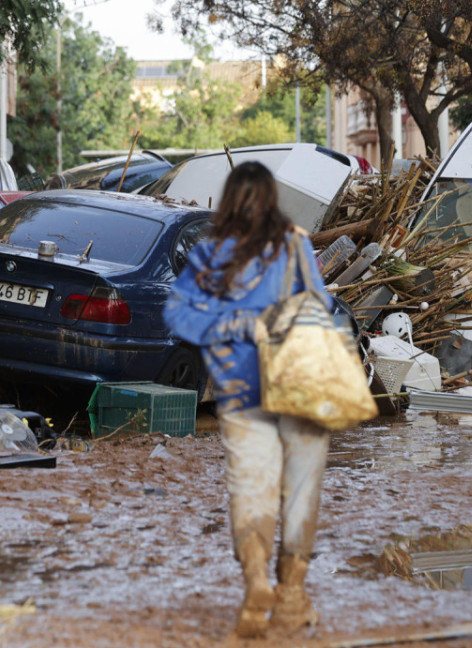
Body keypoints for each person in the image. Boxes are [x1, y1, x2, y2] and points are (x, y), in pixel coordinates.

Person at [164, 161, 333, 638]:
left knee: (251, 489)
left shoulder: (210, 255)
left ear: (231, 199)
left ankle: (257, 582)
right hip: (297, 390)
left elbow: (176, 316)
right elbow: (319, 306)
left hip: (239, 396)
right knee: (299, 492)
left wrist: (229, 327)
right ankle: (293, 598)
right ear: (273, 198)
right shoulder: (296, 244)